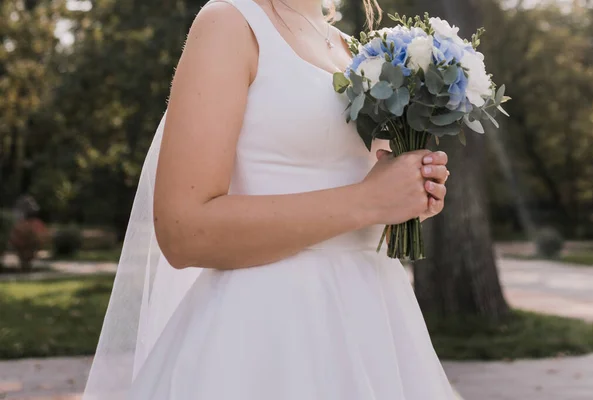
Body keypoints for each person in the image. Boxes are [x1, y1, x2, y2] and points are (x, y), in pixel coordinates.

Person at [83, 0, 457, 398]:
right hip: (264, 332)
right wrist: (369, 201)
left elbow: (362, 192)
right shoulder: (230, 24)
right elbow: (183, 230)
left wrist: (410, 195)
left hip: (377, 326)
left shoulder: (358, 48)